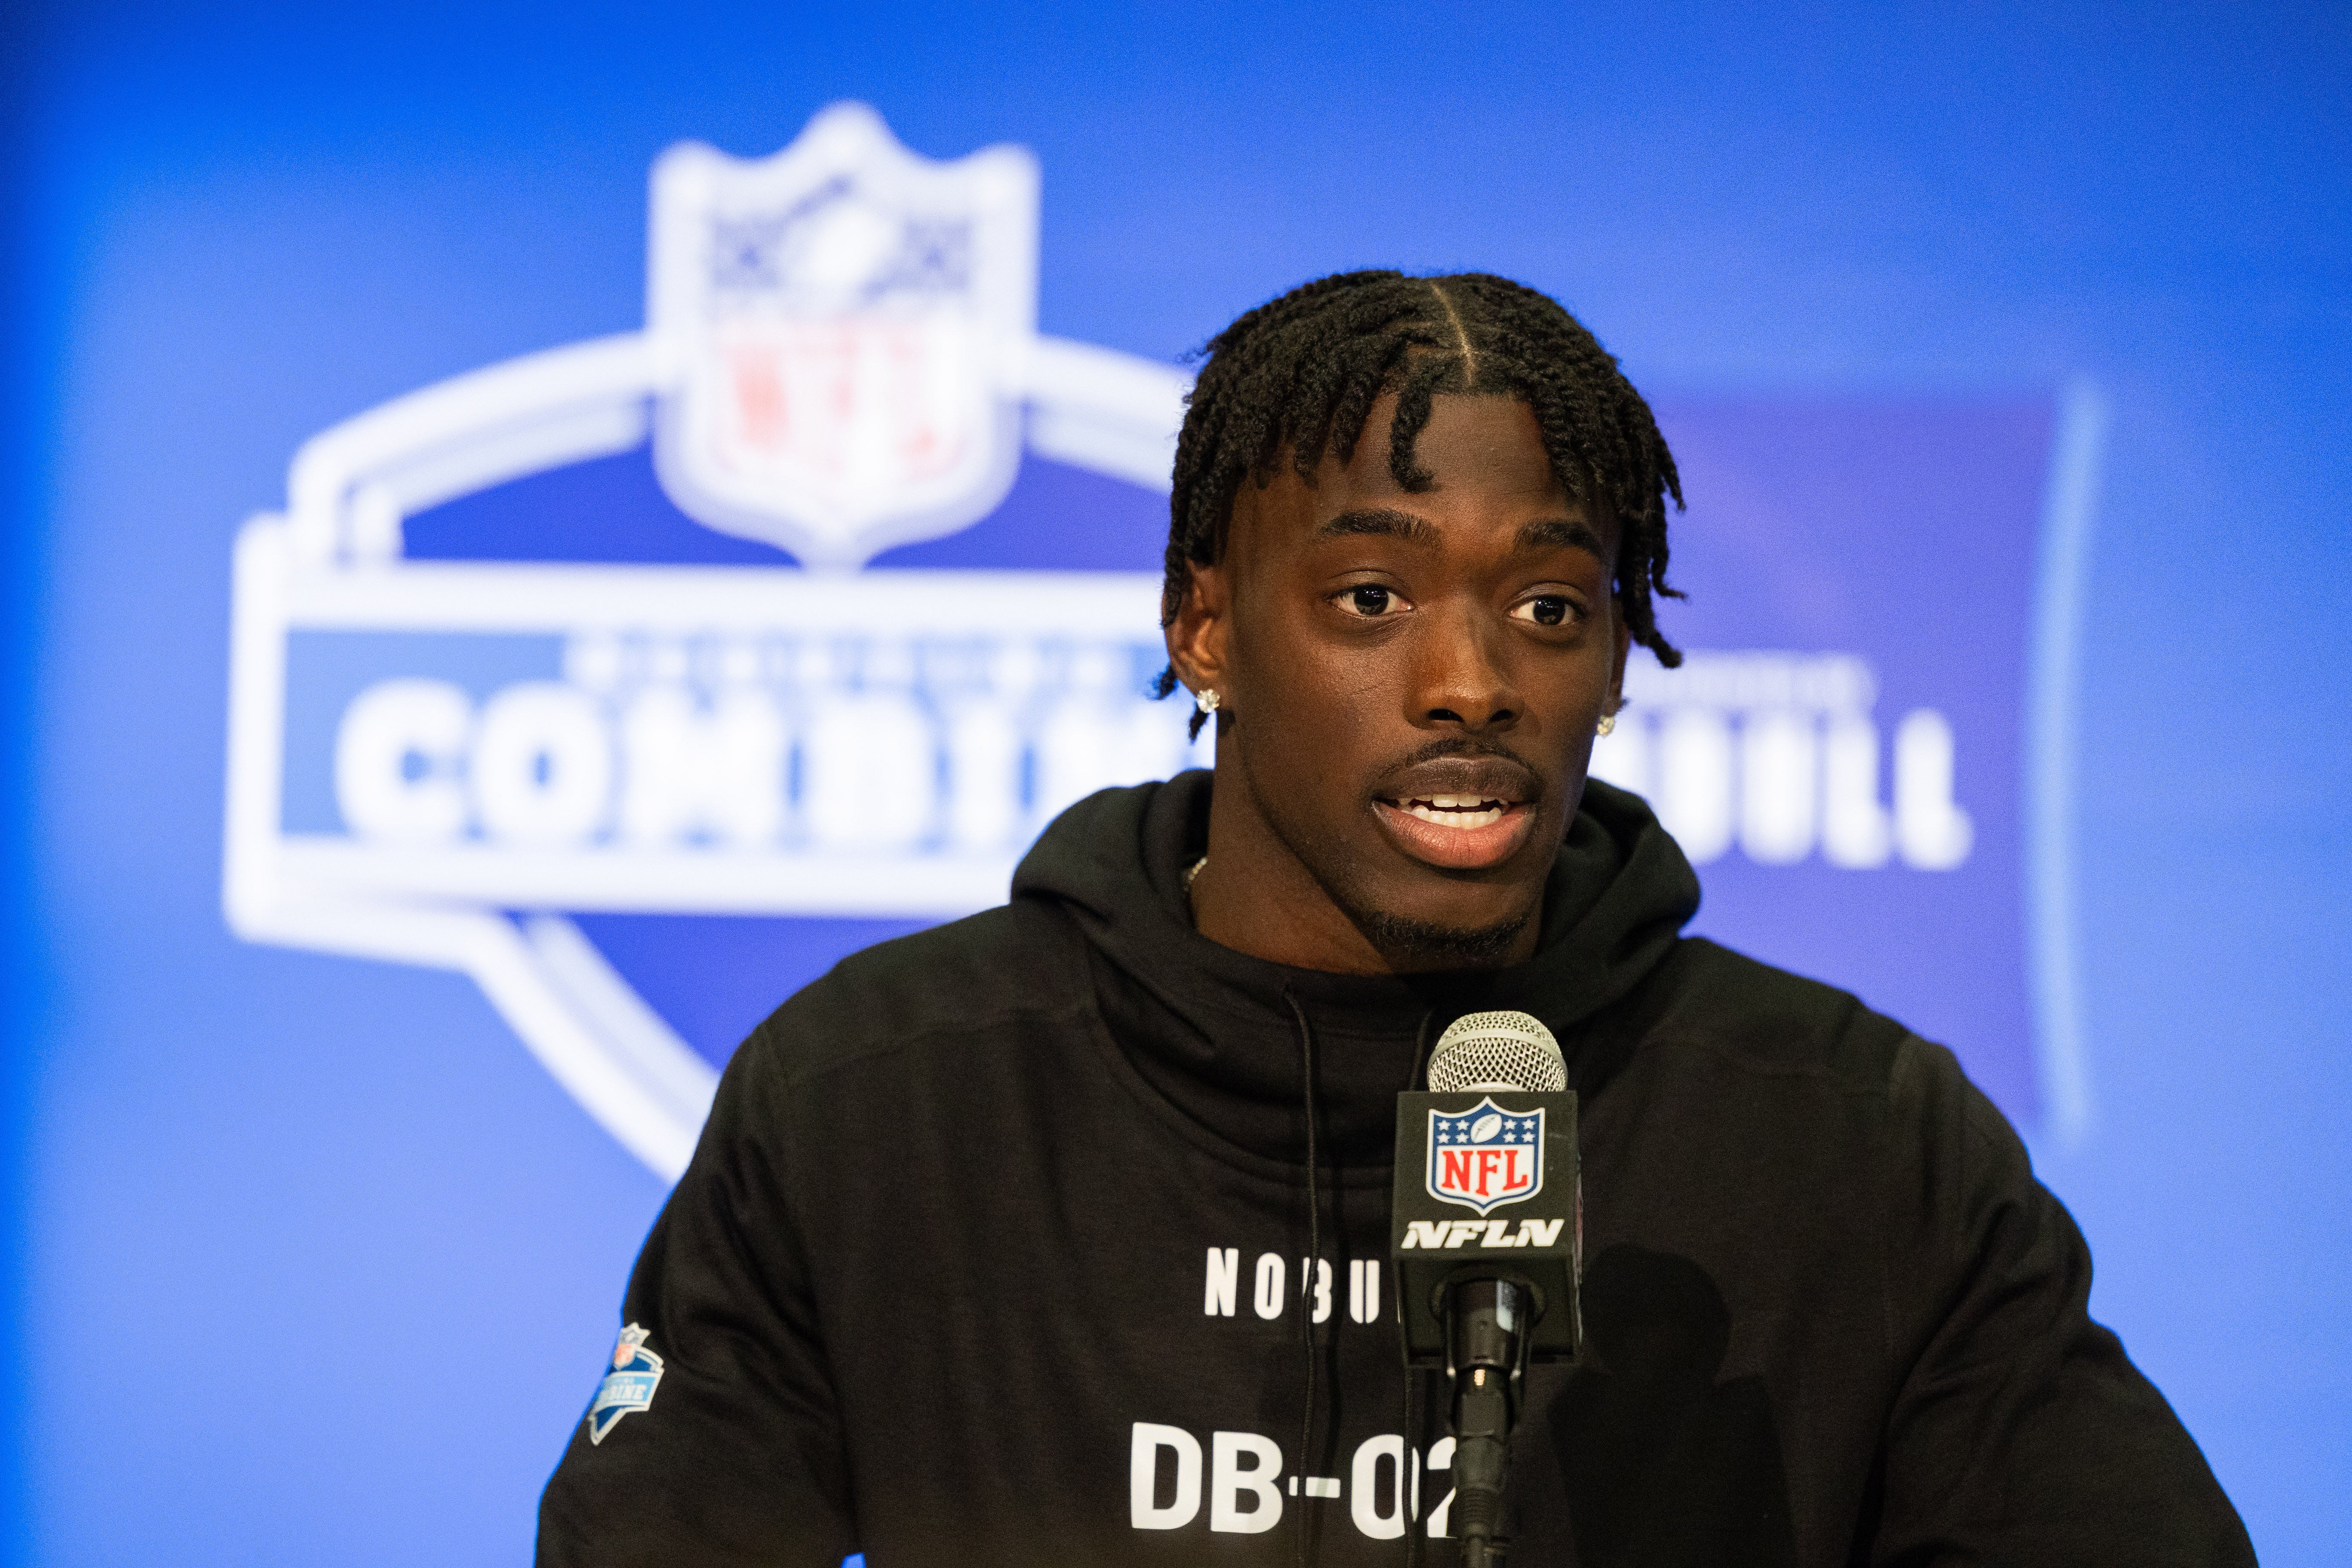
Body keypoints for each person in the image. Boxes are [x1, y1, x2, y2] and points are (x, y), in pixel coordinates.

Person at [537, 271, 2253, 1566]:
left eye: (1550, 605)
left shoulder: (1854, 1144)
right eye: (1372, 597)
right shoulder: (884, 1103)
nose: (1472, 681)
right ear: (1204, 628)